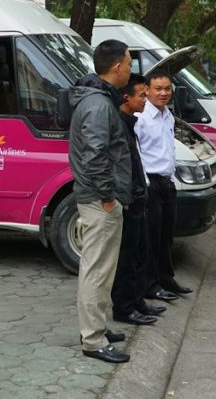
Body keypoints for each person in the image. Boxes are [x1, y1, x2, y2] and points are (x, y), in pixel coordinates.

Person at [68, 39, 133, 364]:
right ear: (117, 66)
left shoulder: (98, 99)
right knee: (96, 270)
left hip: (98, 197)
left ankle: (97, 328)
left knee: (102, 269)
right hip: (99, 200)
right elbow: (95, 158)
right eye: (130, 64)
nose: (131, 70)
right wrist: (108, 196)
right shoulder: (98, 105)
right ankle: (93, 341)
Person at [111, 74, 165, 327]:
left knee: (141, 252)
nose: (146, 100)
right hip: (128, 198)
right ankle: (124, 307)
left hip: (139, 194)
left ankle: (137, 300)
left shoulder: (130, 122)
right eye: (142, 95)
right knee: (127, 256)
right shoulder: (118, 123)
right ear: (126, 97)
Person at [136, 69, 191, 304]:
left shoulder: (168, 115)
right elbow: (136, 152)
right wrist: (145, 185)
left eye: (167, 89)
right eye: (158, 89)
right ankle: (150, 285)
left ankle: (166, 279)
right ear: (147, 90)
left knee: (166, 235)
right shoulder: (141, 117)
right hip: (151, 183)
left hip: (168, 182)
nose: (163, 93)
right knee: (151, 237)